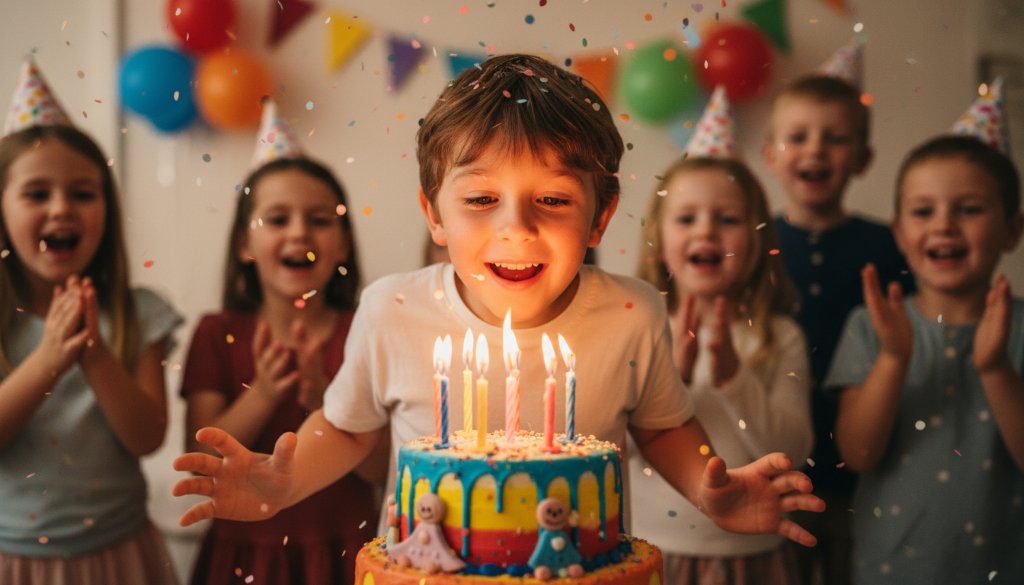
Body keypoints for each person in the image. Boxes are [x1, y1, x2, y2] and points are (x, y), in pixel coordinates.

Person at [172, 53, 824, 550]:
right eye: (481, 199)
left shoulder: (633, 313)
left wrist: (710, 486)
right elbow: (347, 425)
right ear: (433, 213)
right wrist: (284, 482)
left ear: (600, 219)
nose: (516, 226)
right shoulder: (391, 307)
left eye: (554, 199)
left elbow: (662, 426)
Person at [181, 101, 385, 585]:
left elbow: (379, 469)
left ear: (342, 244)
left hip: (345, 550)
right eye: (277, 220)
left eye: (319, 219)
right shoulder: (215, 332)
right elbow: (200, 460)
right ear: (244, 245)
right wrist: (265, 394)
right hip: (242, 554)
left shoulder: (368, 327)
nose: (299, 232)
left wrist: (324, 400)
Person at [0, 59, 182, 584]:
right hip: (15, 559)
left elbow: (148, 437)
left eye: (83, 193)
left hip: (119, 553)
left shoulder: (138, 312)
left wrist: (95, 354)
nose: (62, 208)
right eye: (37, 194)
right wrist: (50, 360)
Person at [829, 134, 1024, 584]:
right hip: (892, 570)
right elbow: (857, 453)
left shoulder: (1018, 331)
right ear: (899, 232)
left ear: (1012, 229)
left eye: (969, 208)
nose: (944, 225)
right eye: (923, 211)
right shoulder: (869, 326)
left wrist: (995, 369)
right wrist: (894, 359)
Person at [630, 155, 813, 584]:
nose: (706, 231)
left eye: (727, 218)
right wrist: (671, 384)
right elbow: (617, 449)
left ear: (755, 240)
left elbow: (794, 451)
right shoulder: (639, 326)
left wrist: (734, 380)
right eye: (687, 217)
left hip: (751, 556)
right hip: (652, 550)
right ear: (658, 238)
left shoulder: (779, 337)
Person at [761, 72, 914, 584]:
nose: (816, 150)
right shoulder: (755, 247)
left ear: (863, 159)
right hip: (778, 469)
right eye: (799, 136)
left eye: (836, 137)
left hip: (870, 472)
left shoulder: (891, 246)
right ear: (771, 155)